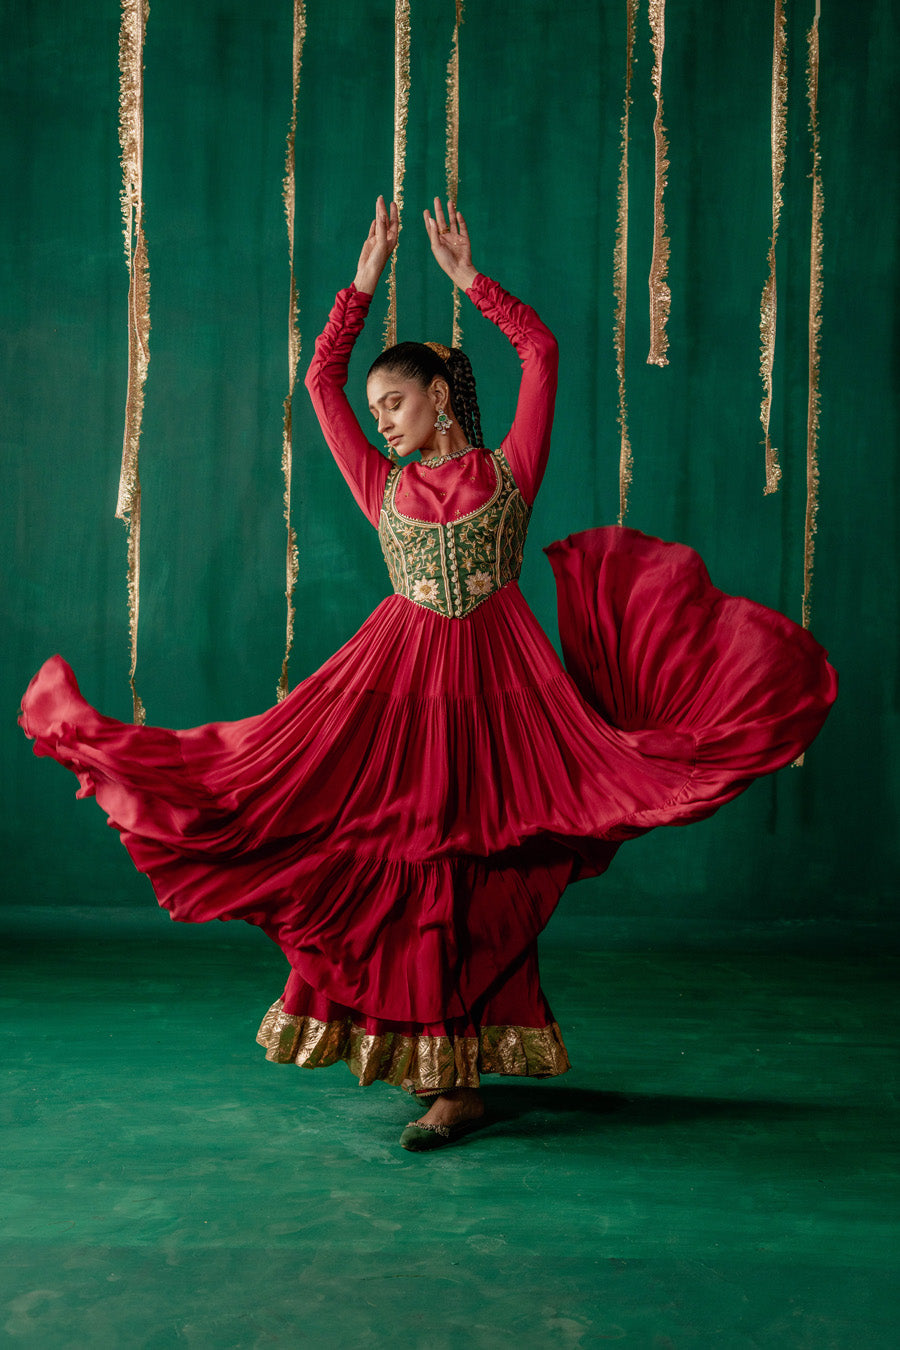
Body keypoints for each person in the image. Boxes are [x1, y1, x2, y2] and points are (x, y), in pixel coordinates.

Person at [19, 196, 837, 1152]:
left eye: (397, 403)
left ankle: (464, 1082)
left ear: (440, 395)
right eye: (379, 413)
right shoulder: (384, 485)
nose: (385, 421)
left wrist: (468, 282)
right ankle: (446, 1077)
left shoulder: (509, 469)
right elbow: (321, 381)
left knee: (478, 870)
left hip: (500, 696)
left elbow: (543, 354)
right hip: (398, 694)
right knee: (383, 856)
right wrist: (360, 284)